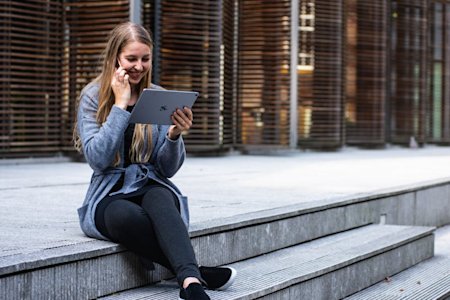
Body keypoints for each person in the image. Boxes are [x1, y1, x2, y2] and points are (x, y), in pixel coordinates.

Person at [73, 22, 236, 300]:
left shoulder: (159, 96)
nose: (138, 66)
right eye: (131, 59)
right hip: (109, 194)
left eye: (145, 59)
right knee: (125, 217)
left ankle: (190, 286)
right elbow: (98, 159)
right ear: (116, 58)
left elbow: (167, 170)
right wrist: (120, 105)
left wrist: (174, 136)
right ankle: (195, 273)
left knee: (161, 197)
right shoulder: (93, 96)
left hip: (149, 184)